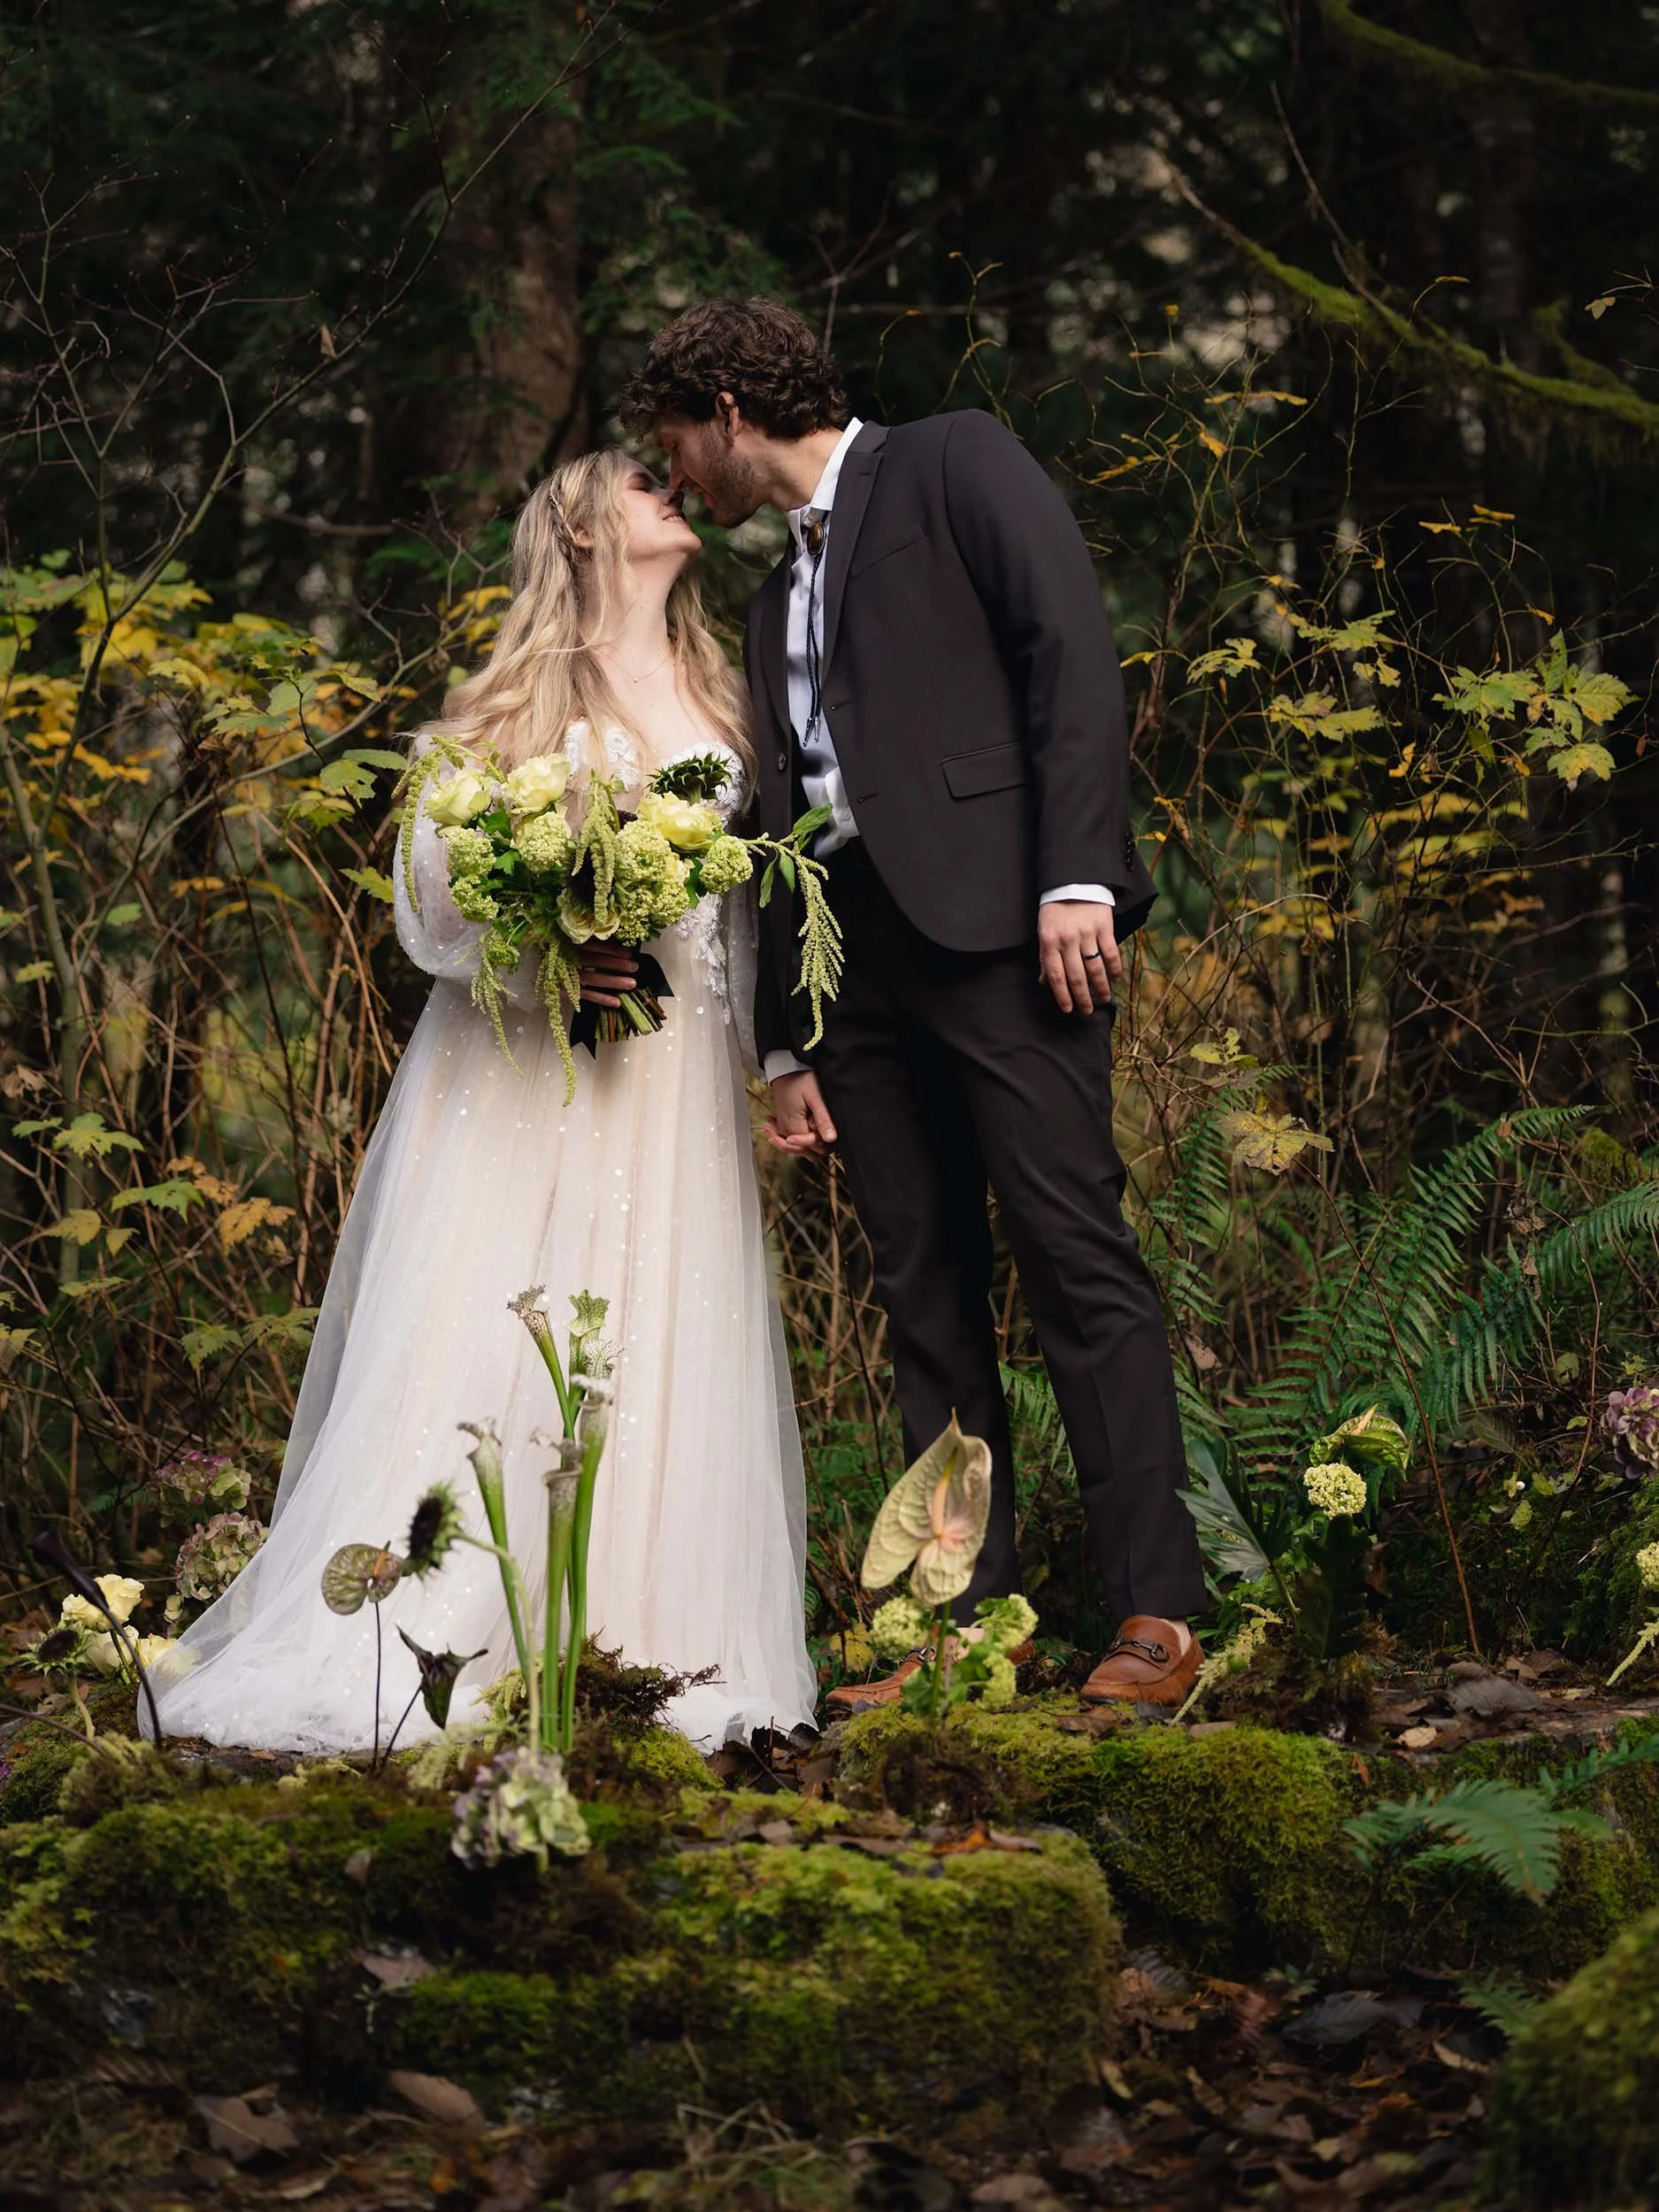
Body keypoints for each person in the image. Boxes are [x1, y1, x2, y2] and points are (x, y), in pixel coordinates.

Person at [147, 449, 818, 1755]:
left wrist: (773, 1064)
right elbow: (430, 905)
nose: (672, 487)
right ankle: (440, 1640)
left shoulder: (725, 694)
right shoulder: (511, 701)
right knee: (489, 1330)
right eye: (639, 482)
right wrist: (553, 943)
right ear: (577, 529)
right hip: (516, 1077)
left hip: (668, 1083)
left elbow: (742, 915)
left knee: (652, 1333)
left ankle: (643, 1651)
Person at [618, 297, 1208, 1708]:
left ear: (733, 414)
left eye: (678, 443)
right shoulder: (767, 606)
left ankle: (1159, 1619)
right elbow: (776, 820)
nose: (678, 475)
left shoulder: (952, 464)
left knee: (1074, 1257)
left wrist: (1076, 877)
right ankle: (965, 1632)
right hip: (850, 975)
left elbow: (1069, 653)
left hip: (1011, 936)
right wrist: (784, 1035)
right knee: (923, 1293)